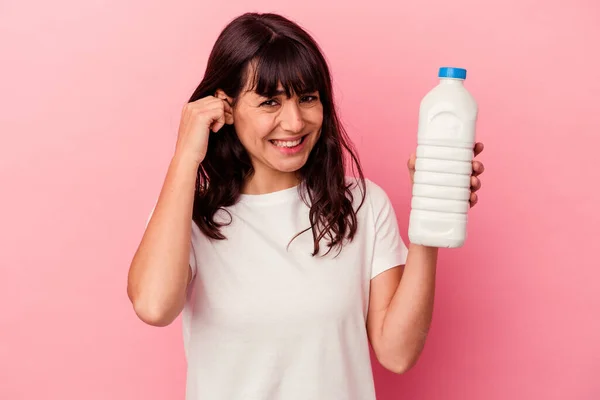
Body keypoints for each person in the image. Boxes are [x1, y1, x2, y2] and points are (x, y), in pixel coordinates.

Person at [127, 12, 485, 400]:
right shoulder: (187, 217)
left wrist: (428, 219)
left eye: (308, 98)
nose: (294, 122)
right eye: (269, 103)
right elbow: (153, 306)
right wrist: (186, 155)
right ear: (224, 107)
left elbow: (397, 353)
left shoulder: (362, 205)